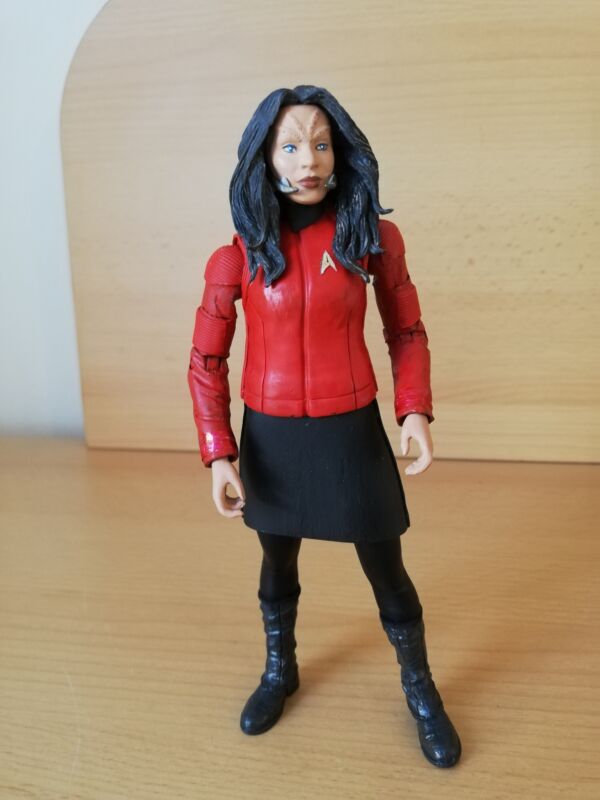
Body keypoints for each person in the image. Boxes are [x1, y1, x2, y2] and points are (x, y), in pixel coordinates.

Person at [187, 85, 461, 768]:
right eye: (289, 145)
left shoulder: (370, 240)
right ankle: (280, 668)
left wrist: (414, 409)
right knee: (276, 561)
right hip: (272, 437)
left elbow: (406, 329)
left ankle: (420, 688)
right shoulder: (238, 257)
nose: (306, 160)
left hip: (349, 431)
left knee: (386, 566)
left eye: (319, 143)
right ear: (264, 156)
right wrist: (218, 451)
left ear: (339, 152)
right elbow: (206, 361)